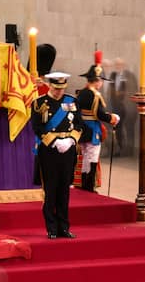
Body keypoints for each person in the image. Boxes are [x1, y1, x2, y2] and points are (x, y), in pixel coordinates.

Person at [31, 71, 82, 238]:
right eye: (56, 88)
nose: (59, 92)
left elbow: (79, 125)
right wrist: (54, 141)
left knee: (64, 190)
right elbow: (36, 127)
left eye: (62, 88)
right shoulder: (39, 103)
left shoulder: (72, 101)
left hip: (68, 151)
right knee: (51, 190)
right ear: (50, 85)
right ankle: (51, 228)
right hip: (49, 151)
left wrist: (71, 140)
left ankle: (64, 227)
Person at [74, 54, 120, 192]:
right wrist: (112, 118)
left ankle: (83, 183)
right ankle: (89, 186)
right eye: (101, 81)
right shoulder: (95, 95)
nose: (101, 83)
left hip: (82, 129)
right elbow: (99, 114)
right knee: (93, 157)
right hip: (93, 129)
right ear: (97, 80)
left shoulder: (81, 93)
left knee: (85, 156)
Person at [106, 58, 135, 155]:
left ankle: (130, 149)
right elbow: (110, 90)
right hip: (116, 107)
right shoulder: (113, 75)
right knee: (117, 128)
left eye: (120, 64)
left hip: (127, 106)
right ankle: (120, 148)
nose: (118, 66)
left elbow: (132, 89)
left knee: (129, 128)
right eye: (116, 64)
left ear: (124, 65)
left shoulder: (130, 76)